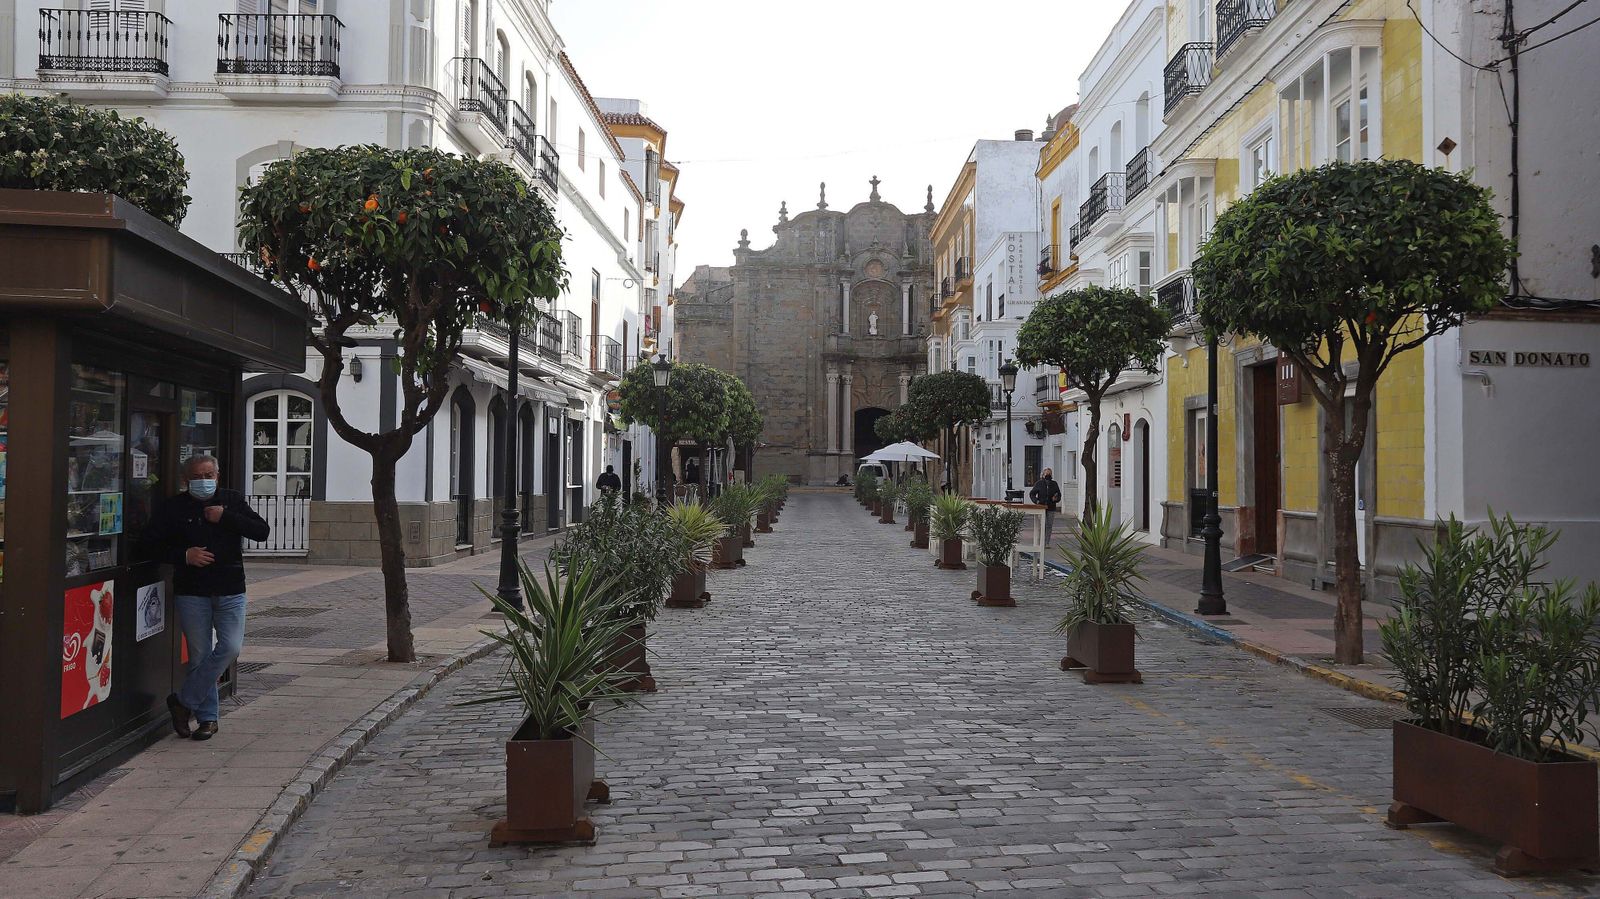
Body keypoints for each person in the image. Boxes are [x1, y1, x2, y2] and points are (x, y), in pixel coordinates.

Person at [143, 455, 269, 741]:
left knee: (230, 647)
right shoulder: (174, 507)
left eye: (209, 475)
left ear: (217, 476)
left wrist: (226, 517)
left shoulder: (231, 500)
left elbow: (262, 531)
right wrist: (184, 556)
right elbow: (149, 545)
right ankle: (207, 719)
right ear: (186, 480)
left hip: (230, 589)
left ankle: (183, 701)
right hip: (192, 592)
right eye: (197, 476)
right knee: (199, 656)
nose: (204, 481)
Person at [1029, 467, 1063, 546]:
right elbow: (1032, 494)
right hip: (1041, 507)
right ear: (1043, 474)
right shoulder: (1039, 483)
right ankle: (1041, 542)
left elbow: (1059, 495)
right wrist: (1036, 501)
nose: (1048, 475)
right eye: (1046, 473)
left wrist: (1056, 498)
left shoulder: (1054, 484)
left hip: (1051, 507)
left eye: (1049, 473)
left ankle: (1047, 543)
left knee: (1049, 525)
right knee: (1042, 525)